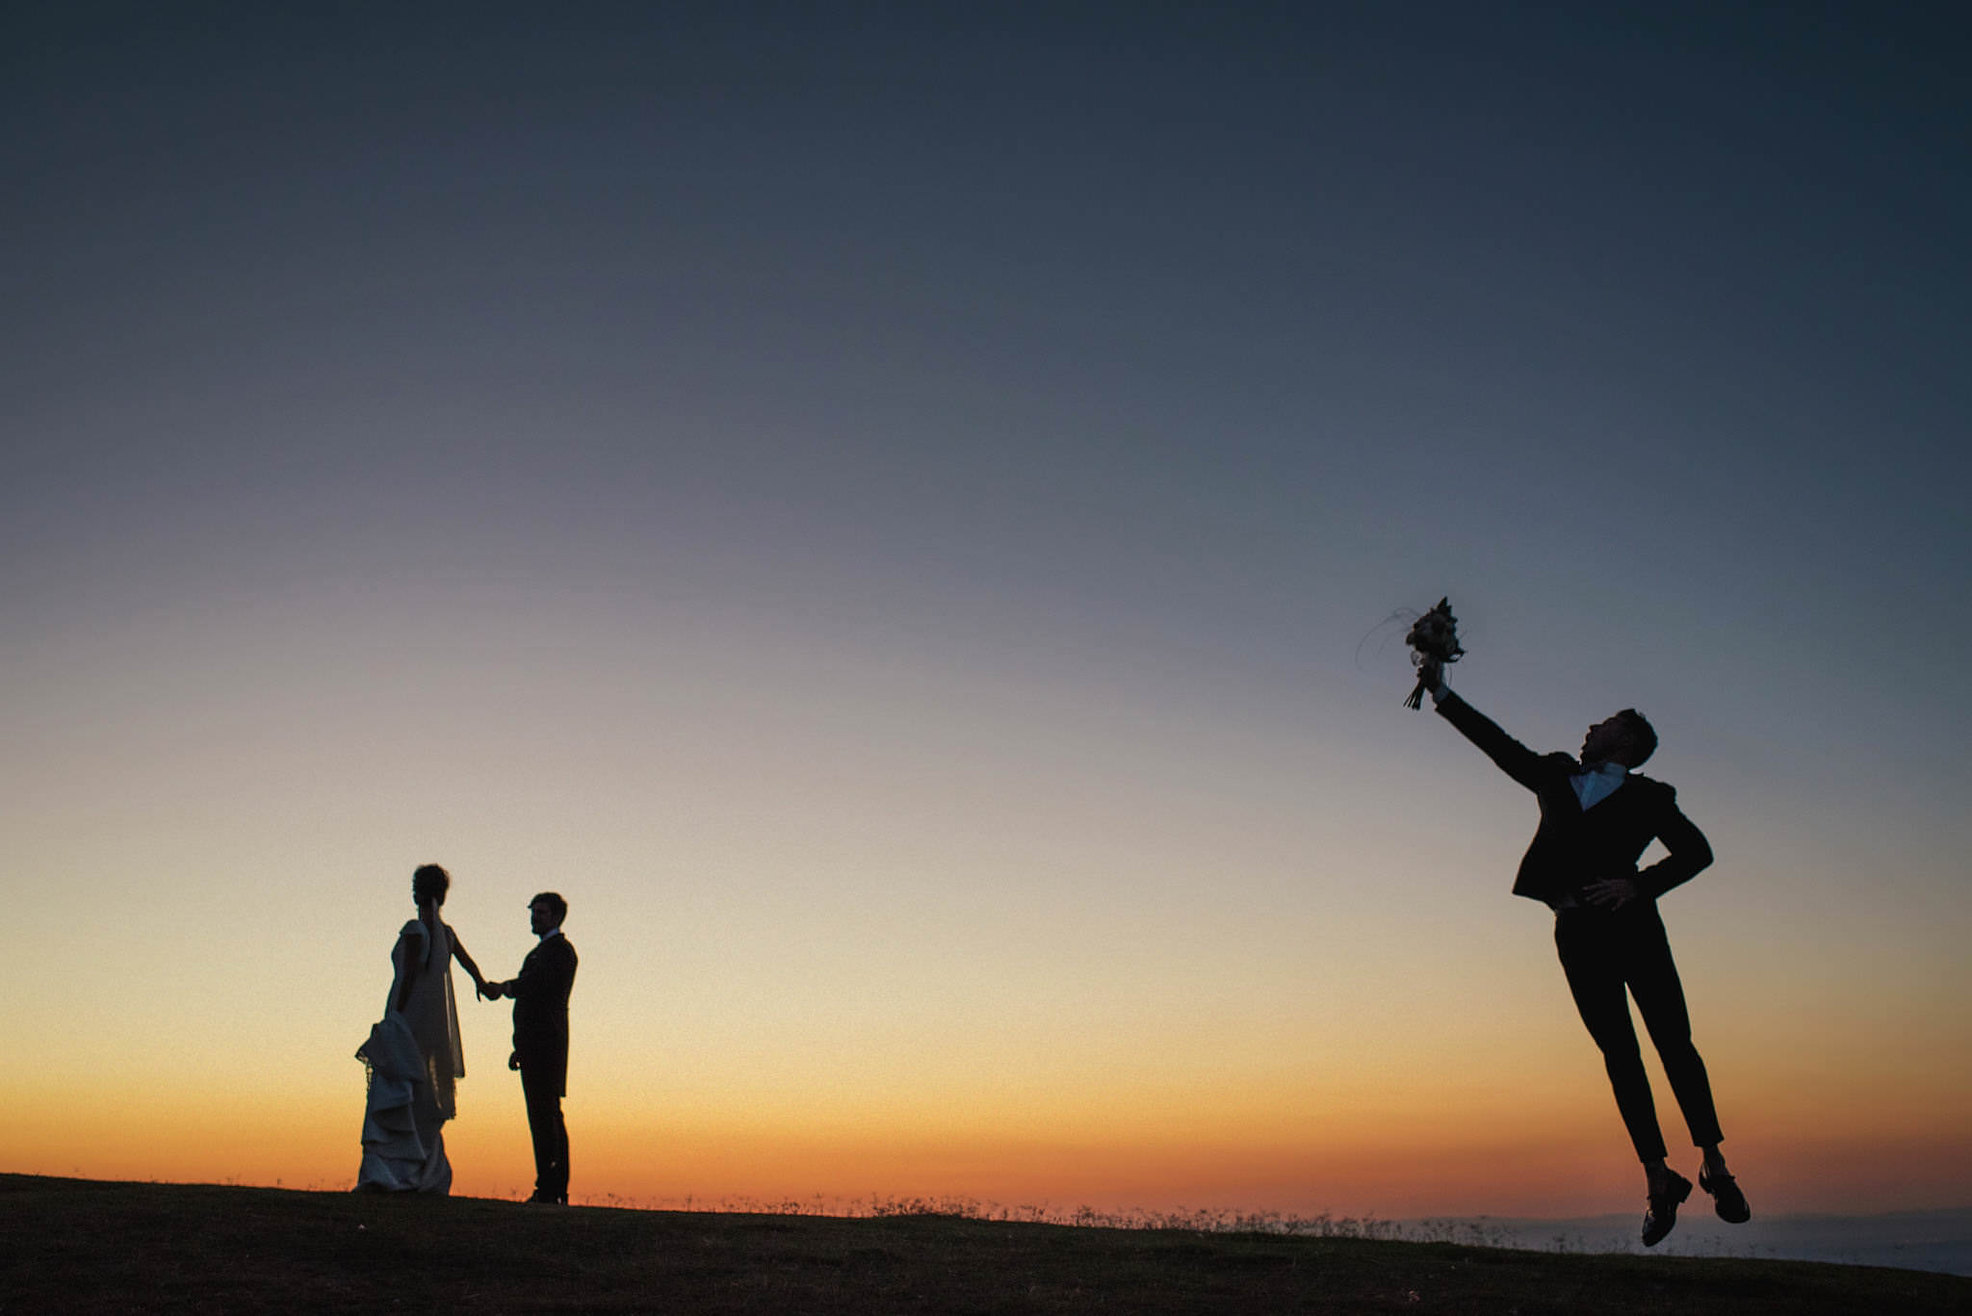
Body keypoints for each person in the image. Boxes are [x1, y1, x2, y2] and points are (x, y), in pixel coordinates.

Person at [1417, 659, 1751, 1247]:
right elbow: (1497, 744)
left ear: (1626, 741)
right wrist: (1440, 689)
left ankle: (1715, 1163)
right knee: (1620, 1055)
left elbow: (1697, 853)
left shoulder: (1651, 796)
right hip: (1576, 933)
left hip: (1635, 928)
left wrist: (1637, 885)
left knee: (1674, 1042)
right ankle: (1658, 1178)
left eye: (1605, 723)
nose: (1591, 727)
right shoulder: (1553, 775)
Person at [355, 863, 489, 1193]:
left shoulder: (415, 929)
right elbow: (469, 965)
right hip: (432, 1027)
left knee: (398, 1088)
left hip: (409, 1019)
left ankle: (393, 1170)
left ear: (417, 893)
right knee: (422, 1094)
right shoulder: (447, 934)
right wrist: (483, 985)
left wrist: (394, 1017)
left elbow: (409, 976)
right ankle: (422, 1169)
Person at [483, 892, 578, 1205]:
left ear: (556, 917)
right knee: (543, 1115)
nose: (534, 918)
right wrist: (519, 1046)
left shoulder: (560, 952)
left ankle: (551, 1188)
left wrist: (506, 988)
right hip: (535, 1045)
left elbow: (537, 987)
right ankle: (550, 1186)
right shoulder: (541, 953)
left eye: (541, 912)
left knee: (546, 1116)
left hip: (546, 1045)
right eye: (533, 912)